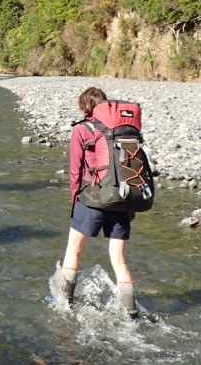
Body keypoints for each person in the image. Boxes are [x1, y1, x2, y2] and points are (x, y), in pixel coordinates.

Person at [59, 86, 139, 318]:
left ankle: (65, 305)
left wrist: (75, 201)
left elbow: (75, 172)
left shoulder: (82, 130)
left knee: (73, 251)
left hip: (92, 200)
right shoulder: (123, 132)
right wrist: (130, 207)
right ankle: (131, 313)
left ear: (84, 106)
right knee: (120, 261)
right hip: (121, 200)